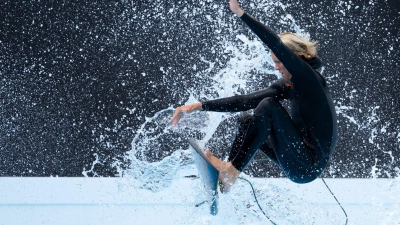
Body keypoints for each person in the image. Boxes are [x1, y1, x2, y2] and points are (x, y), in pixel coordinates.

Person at [170, 0, 337, 193]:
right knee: (247, 119)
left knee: (268, 106)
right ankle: (228, 173)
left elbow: (274, 42)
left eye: (279, 61)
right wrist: (197, 106)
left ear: (295, 57)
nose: (276, 67)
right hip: (298, 159)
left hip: (307, 165)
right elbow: (245, 101)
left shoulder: (309, 79)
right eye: (273, 62)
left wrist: (240, 13)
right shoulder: (290, 84)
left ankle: (230, 172)